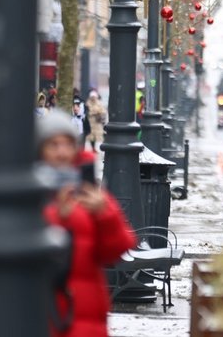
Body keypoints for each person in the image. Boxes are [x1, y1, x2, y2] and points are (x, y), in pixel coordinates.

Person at [38, 110, 136, 337]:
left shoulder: (88, 190)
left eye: (68, 144)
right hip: (41, 313)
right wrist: (58, 216)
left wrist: (105, 213)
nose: (62, 153)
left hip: (85, 319)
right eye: (53, 145)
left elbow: (119, 248)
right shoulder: (25, 188)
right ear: (40, 149)